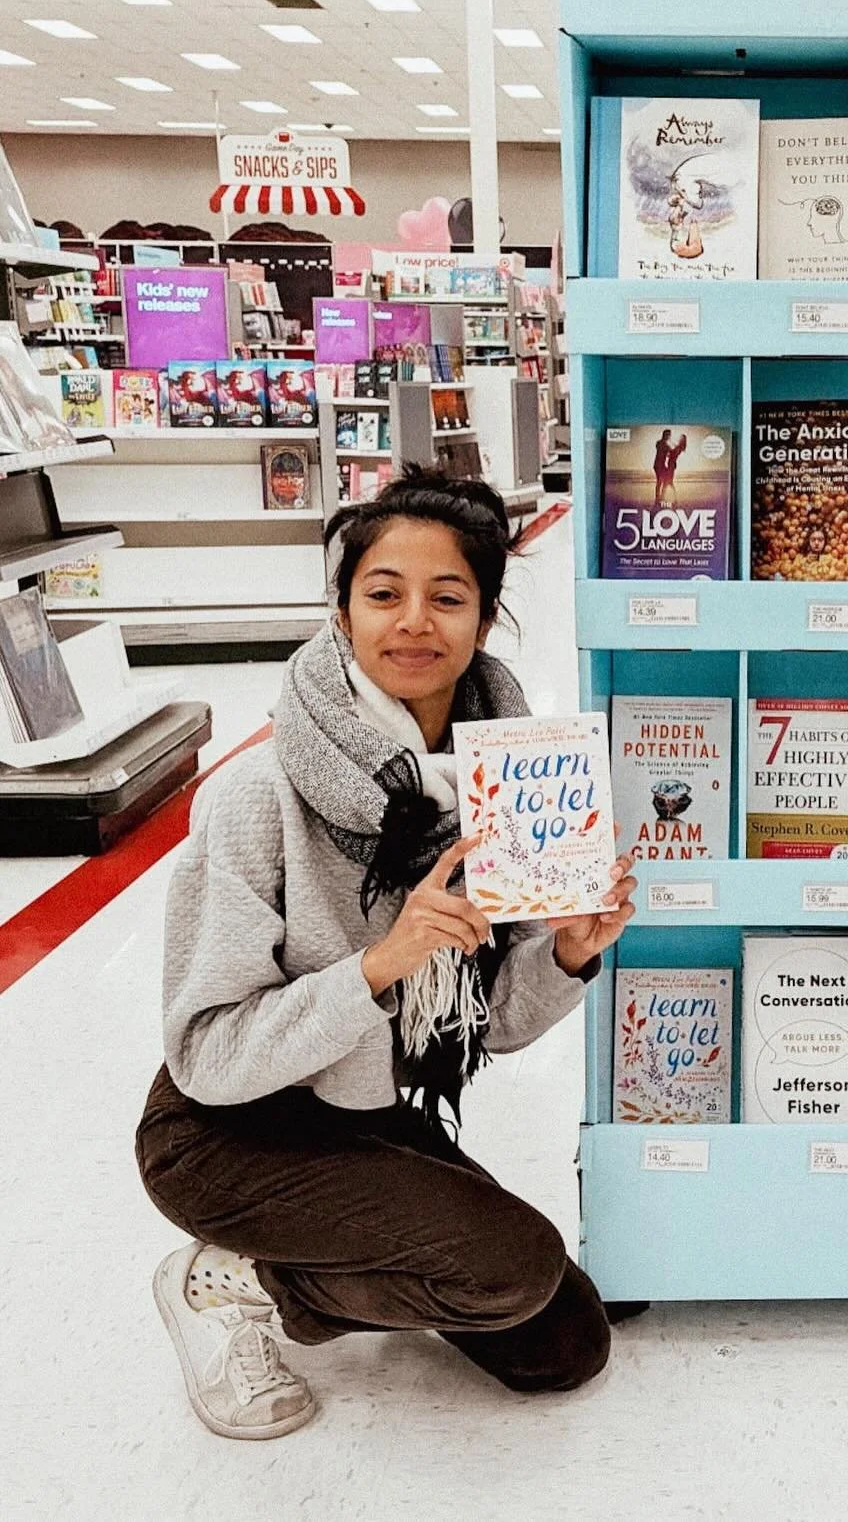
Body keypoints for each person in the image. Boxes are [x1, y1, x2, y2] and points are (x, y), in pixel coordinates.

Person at [134, 467, 636, 1440]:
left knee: (564, 1343)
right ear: (341, 611)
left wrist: (568, 957)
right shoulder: (258, 796)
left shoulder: (510, 785)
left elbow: (491, 1025)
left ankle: (290, 1268)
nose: (413, 621)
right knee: (515, 1262)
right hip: (225, 1130)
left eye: (447, 596)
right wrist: (378, 966)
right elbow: (206, 1051)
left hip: (366, 1112)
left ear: (484, 619)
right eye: (382, 592)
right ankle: (234, 1282)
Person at [651, 428, 687, 511]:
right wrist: (671, 445)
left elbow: (670, 452)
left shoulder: (662, 443)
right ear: (666, 435)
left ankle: (660, 498)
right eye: (669, 435)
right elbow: (668, 451)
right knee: (664, 482)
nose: (670, 436)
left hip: (666, 466)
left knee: (665, 482)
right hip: (662, 465)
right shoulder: (664, 444)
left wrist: (671, 446)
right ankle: (660, 498)